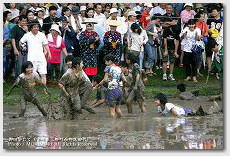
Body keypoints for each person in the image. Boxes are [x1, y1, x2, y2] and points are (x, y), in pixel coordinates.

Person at [20, 19, 51, 85]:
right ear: (31, 28)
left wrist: (49, 53)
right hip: (31, 58)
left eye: (37, 27)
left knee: (43, 74)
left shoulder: (42, 34)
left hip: (41, 57)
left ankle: (44, 90)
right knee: (31, 74)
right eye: (34, 27)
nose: (36, 28)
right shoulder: (27, 35)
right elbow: (21, 42)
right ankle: (31, 89)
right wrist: (23, 47)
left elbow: (45, 44)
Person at [154, 93, 220, 116]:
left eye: (156, 100)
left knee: (201, 114)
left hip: (185, 112)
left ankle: (215, 110)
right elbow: (161, 115)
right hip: (184, 112)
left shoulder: (168, 105)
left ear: (161, 100)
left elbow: (176, 115)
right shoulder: (159, 108)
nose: (155, 101)